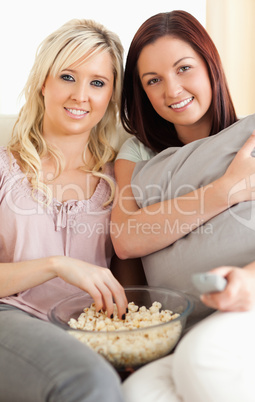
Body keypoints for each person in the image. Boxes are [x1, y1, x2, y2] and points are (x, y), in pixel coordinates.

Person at [109, 10, 255, 402]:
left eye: (184, 69)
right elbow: (127, 239)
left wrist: (253, 281)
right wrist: (225, 189)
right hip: (188, 320)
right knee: (137, 394)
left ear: (209, 65)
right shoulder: (137, 153)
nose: (172, 90)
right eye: (154, 80)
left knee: (201, 360)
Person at [0, 18, 130, 402]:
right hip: (12, 318)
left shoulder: (118, 179)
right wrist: (57, 265)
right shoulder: (5, 170)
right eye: (68, 77)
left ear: (110, 95)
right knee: (88, 382)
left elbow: (128, 281)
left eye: (97, 82)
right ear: (44, 82)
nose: (81, 95)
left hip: (88, 330)